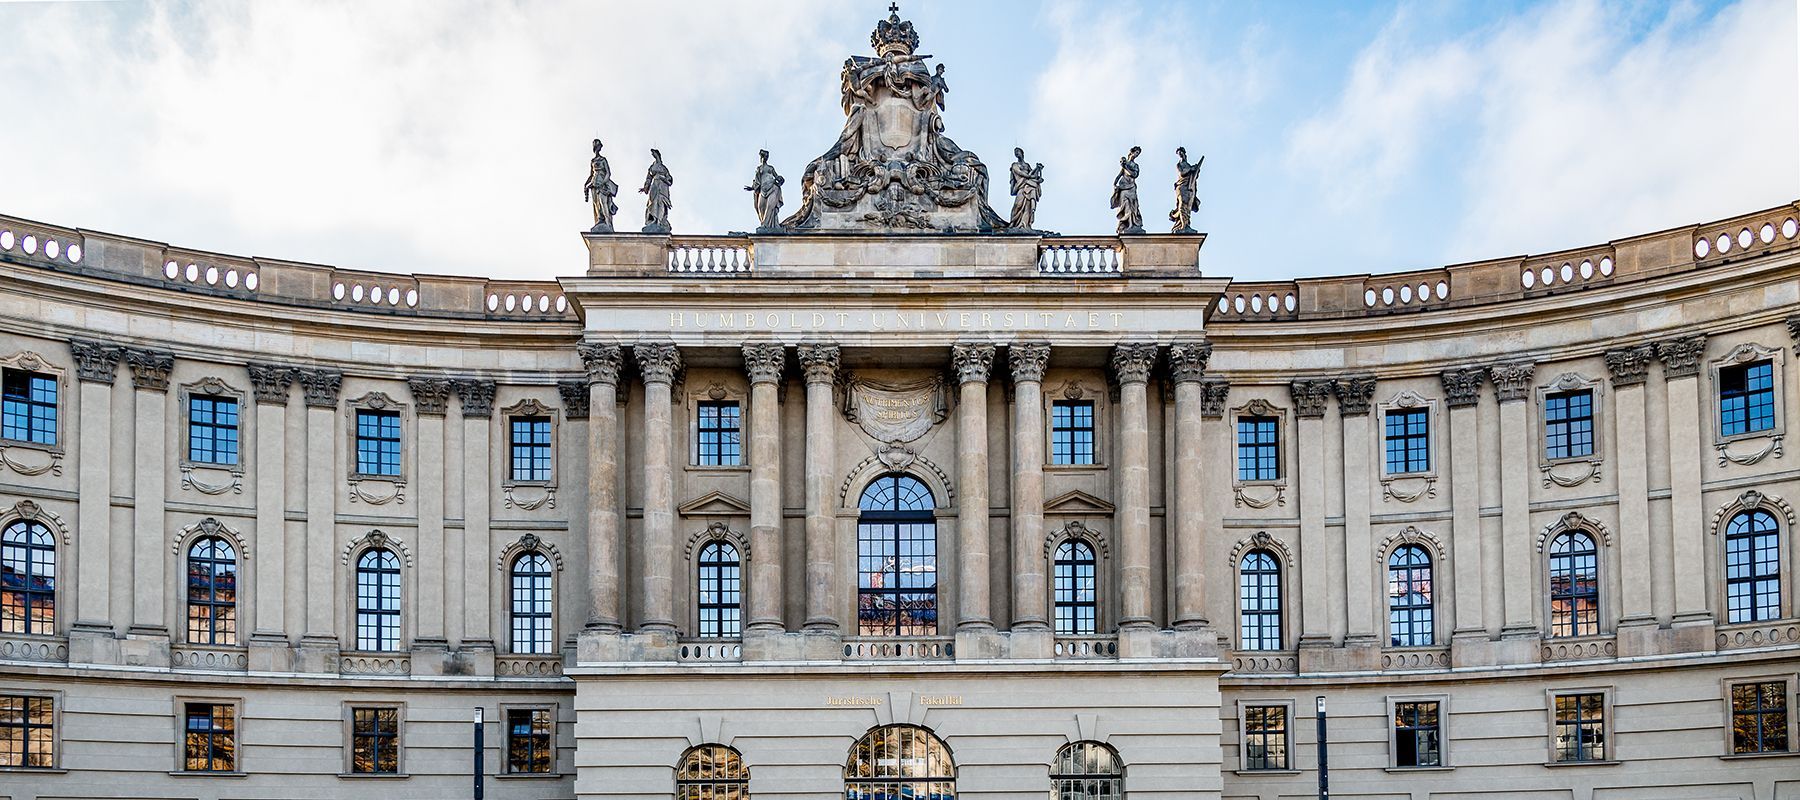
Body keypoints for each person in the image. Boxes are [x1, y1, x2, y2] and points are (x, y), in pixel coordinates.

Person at [583, 138, 618, 233]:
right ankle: (600, 220)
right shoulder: (592, 161)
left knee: (603, 203)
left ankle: (608, 222)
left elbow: (608, 173)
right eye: (596, 146)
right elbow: (591, 174)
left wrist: (603, 182)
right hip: (594, 184)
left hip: (602, 184)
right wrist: (586, 184)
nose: (597, 148)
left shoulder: (603, 160)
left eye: (598, 146)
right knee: (596, 204)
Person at [745, 150, 785, 233]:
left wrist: (780, 180)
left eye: (766, 157)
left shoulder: (771, 168)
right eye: (763, 157)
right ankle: (766, 225)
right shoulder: (759, 169)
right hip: (762, 190)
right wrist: (752, 188)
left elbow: (777, 177)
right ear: (761, 158)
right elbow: (757, 181)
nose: (764, 158)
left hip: (773, 188)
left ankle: (765, 226)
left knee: (770, 207)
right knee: (761, 208)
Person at [1008, 147, 1043, 230]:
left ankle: (1025, 224)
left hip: (1029, 186)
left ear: (1022, 153)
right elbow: (1019, 172)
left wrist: (1038, 169)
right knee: (1017, 205)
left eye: (1018, 151)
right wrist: (1030, 176)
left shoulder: (1027, 165)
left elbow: (1034, 175)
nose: (1016, 153)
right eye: (1015, 152)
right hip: (1021, 186)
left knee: (1028, 206)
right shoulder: (1015, 165)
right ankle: (1013, 222)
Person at [1111, 146, 1144, 234]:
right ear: (1131, 152)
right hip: (1123, 188)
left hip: (1131, 187)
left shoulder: (1135, 165)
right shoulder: (1125, 164)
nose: (1136, 155)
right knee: (1125, 206)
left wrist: (1125, 167)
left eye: (1138, 154)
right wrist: (1114, 184)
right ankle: (1126, 225)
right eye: (1136, 153)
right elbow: (1119, 175)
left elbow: (1134, 175)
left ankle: (1132, 225)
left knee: (1133, 206)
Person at [1170, 147, 1203, 233]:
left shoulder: (1188, 164)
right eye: (1179, 154)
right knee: (1182, 204)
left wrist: (1196, 170)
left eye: (1181, 153)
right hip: (1182, 186)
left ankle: (1186, 224)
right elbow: (1182, 173)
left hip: (1190, 187)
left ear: (1185, 154)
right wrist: (1191, 169)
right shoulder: (1179, 165)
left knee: (1188, 207)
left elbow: (1194, 176)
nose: (1181, 155)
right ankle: (1183, 226)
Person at [641, 149, 673, 233]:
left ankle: (660, 222)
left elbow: (669, 178)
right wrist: (645, 187)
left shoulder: (664, 168)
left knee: (661, 202)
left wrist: (664, 178)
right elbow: (648, 178)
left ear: (657, 154)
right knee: (652, 202)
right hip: (654, 185)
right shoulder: (652, 167)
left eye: (654, 153)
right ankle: (653, 220)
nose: (653, 155)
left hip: (663, 186)